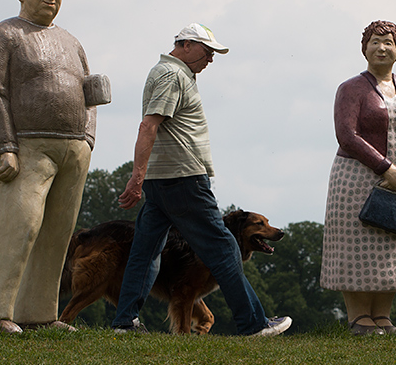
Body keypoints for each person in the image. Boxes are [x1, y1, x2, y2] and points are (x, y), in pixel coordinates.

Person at [110, 23, 291, 337]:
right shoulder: (173, 75)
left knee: (145, 250)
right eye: (207, 52)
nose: (210, 59)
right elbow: (149, 126)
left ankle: (125, 322)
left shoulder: (166, 72)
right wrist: (136, 176)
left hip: (162, 180)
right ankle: (253, 324)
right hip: (183, 179)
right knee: (223, 247)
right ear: (186, 45)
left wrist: (144, 176)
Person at [0, 0, 109, 334]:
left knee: (57, 234)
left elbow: (90, 94)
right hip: (25, 146)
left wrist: (88, 140)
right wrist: (5, 145)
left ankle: (39, 314)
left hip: (73, 150)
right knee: (22, 225)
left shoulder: (72, 42)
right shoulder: (3, 35)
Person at [320, 20, 396, 335]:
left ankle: (382, 315)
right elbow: (347, 134)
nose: (382, 48)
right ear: (364, 48)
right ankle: (358, 317)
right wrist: (385, 167)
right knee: (356, 244)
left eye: (389, 43)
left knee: (393, 245)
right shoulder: (350, 89)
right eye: (375, 42)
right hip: (357, 176)